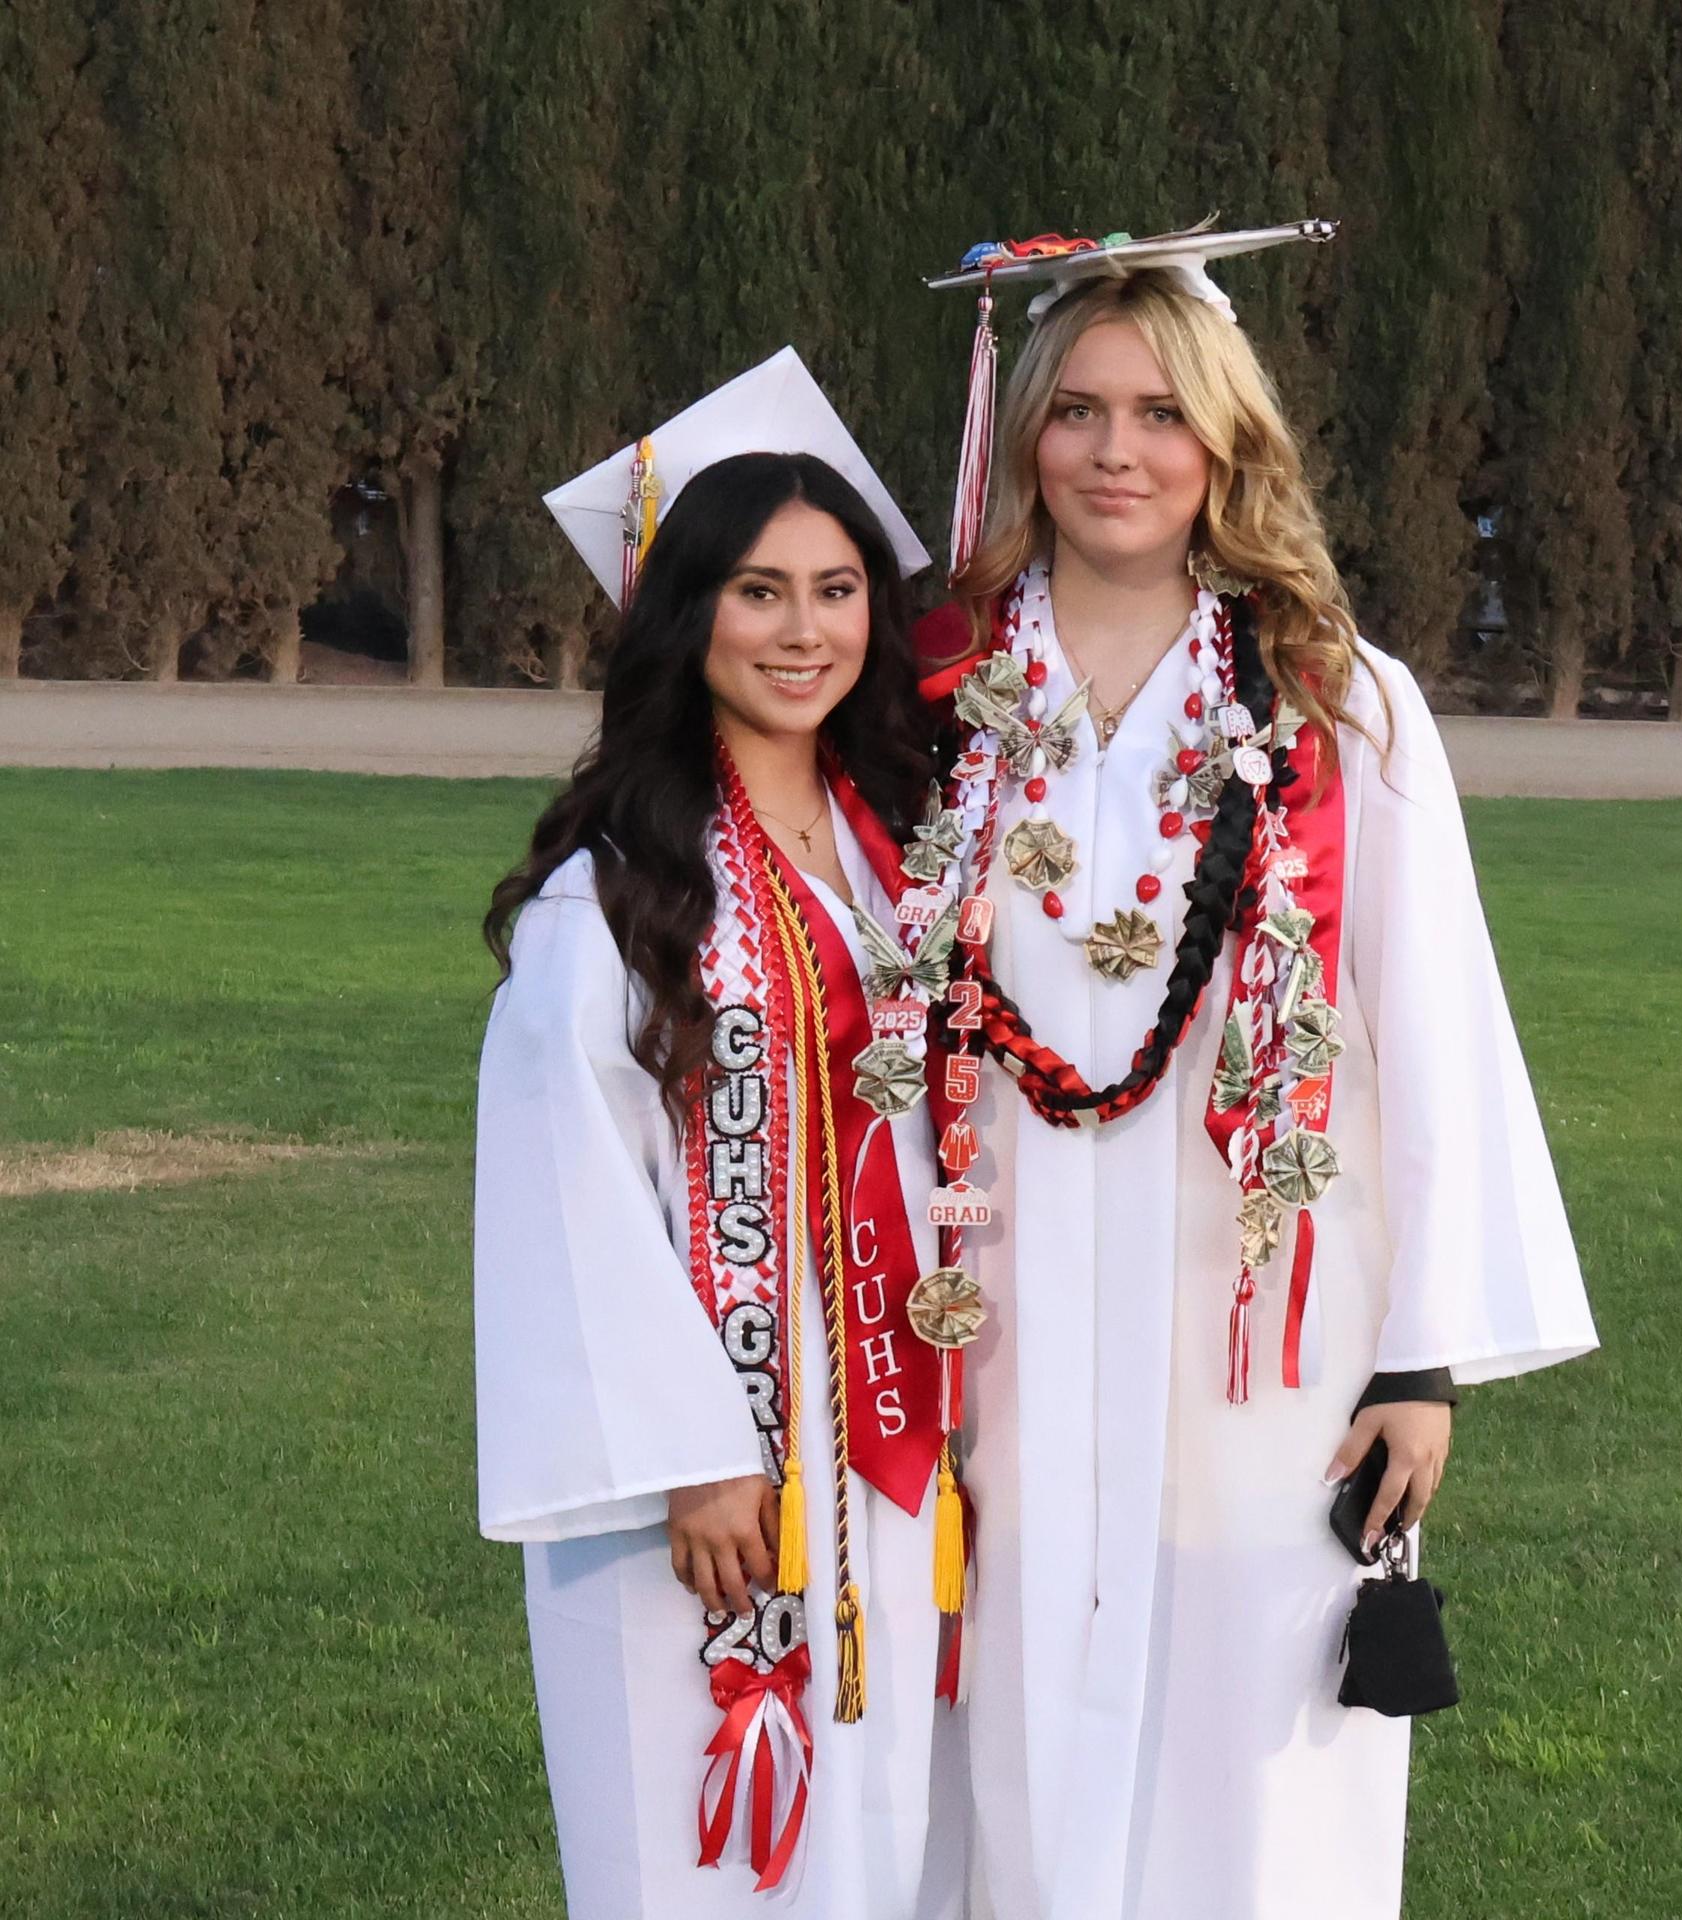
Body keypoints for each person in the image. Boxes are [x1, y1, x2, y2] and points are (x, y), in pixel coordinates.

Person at [913, 226, 1601, 1918]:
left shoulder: (1339, 704)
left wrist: (1422, 1353)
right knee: (1013, 1716)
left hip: (1262, 1314)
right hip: (1003, 1305)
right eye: (1076, 410)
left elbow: (1433, 1025)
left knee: (1251, 1740)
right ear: (1027, 439)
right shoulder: (947, 698)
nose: (1116, 451)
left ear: (1224, 437)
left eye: (1159, 411)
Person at [474, 351, 970, 1920]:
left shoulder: (898, 851)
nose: (806, 630)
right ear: (688, 619)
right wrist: (693, 1460)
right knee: (696, 1849)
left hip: (883, 1432)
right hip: (706, 1469)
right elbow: (573, 1192)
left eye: (837, 589)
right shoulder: (614, 892)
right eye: (760, 592)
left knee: (880, 1828)